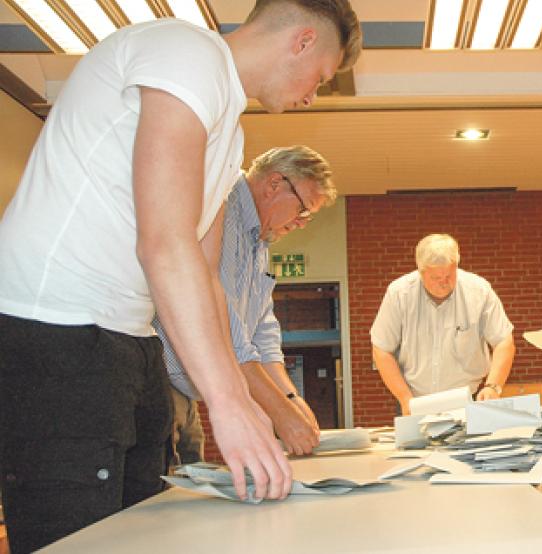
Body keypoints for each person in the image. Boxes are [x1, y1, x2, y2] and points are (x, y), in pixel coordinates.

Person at [0, 1, 361, 550]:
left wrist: (245, 402)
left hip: (130, 336)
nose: (313, 94)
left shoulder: (230, 137)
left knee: (143, 530)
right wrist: (228, 403)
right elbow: (164, 243)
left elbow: (205, 275)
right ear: (303, 41)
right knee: (76, 537)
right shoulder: (187, 53)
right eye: (322, 76)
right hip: (53, 326)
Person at [160, 146, 334, 465]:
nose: (302, 223)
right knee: (162, 490)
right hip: (161, 384)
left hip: (188, 392)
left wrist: (291, 398)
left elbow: (262, 332)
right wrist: (280, 412)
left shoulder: (260, 240)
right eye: (303, 209)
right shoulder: (222, 210)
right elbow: (224, 330)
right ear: (275, 184)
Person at [371, 234, 516, 415]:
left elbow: (503, 341)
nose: (444, 283)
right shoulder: (399, 294)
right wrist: (404, 398)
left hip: (467, 401)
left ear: (456, 266)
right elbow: (381, 349)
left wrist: (493, 387)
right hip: (413, 401)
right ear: (421, 271)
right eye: (435, 277)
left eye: (449, 275)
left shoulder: (479, 291)